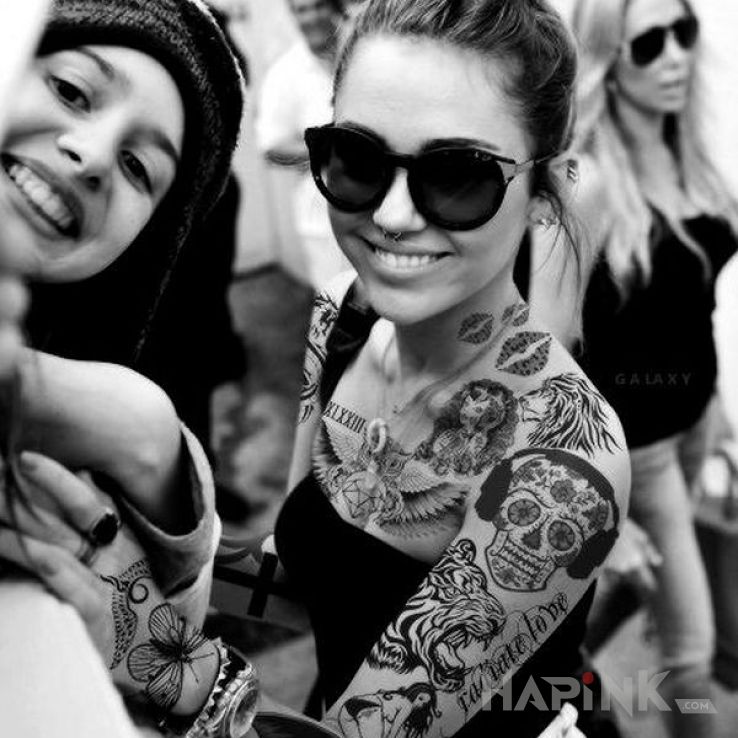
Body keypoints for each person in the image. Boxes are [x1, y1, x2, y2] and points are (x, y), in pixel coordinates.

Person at [276, 0, 628, 735]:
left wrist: (154, 650)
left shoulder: (561, 460)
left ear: (545, 191)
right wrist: (157, 546)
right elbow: (303, 576)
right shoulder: (342, 317)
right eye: (359, 158)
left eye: (459, 176)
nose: (393, 216)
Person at [0, 0, 245, 731]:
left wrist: (152, 447)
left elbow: (163, 659)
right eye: (71, 89)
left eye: (141, 168)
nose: (95, 154)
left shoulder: (113, 473)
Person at [533, 1, 738, 736]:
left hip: (692, 425)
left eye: (684, 32)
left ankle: (543, 666)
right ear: (609, 66)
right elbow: (542, 351)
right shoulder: (586, 182)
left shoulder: (692, 157)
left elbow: (692, 310)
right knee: (691, 655)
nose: (675, 56)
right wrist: (599, 518)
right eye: (649, 44)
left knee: (639, 582)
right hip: (633, 451)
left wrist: (717, 421)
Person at [255, 0, 350, 288]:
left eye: (318, 5)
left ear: (335, 8)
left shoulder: (358, 58)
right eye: (301, 9)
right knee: (331, 300)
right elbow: (271, 149)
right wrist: (329, 151)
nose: (311, 17)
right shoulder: (285, 74)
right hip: (321, 217)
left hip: (374, 207)